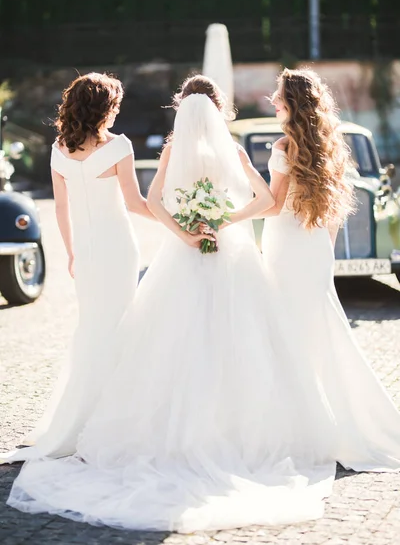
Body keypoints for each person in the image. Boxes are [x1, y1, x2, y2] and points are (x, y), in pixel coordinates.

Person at [7, 75, 336, 532]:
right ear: (219, 110)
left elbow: (153, 200)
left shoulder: (169, 151)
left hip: (178, 254)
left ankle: (134, 422)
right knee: (242, 336)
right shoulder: (235, 153)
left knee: (163, 335)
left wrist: (185, 230)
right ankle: (241, 429)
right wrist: (222, 221)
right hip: (231, 250)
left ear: (182, 109)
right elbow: (265, 200)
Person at [1, 72, 155, 462]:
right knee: (119, 324)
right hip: (119, 248)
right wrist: (174, 219)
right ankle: (116, 415)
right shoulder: (119, 147)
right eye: (115, 105)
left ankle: (84, 415)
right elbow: (135, 204)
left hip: (85, 251)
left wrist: (72, 253)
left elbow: (63, 209)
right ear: (106, 108)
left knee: (93, 326)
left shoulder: (58, 150)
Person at [258, 68, 400, 472]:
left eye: (278, 94)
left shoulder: (285, 145)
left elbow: (270, 205)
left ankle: (299, 423)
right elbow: (334, 213)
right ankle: (323, 418)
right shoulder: (329, 145)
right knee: (315, 330)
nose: (272, 98)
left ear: (292, 103)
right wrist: (327, 254)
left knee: (286, 331)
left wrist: (229, 211)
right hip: (315, 248)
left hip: (286, 245)